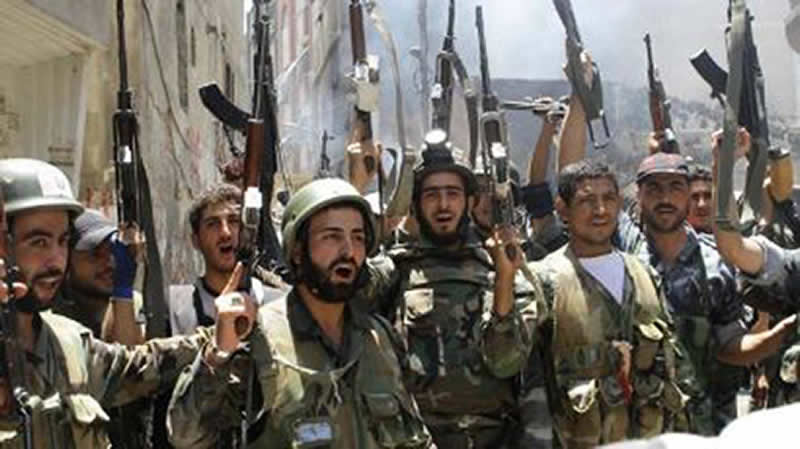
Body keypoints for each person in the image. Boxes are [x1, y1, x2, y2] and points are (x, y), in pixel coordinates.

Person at [167, 178, 435, 448]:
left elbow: (415, 438)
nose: (348, 251)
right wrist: (218, 355)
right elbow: (186, 435)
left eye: (358, 237)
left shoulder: (380, 339)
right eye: (331, 236)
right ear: (297, 250)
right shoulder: (260, 338)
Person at [0, 158, 209, 448]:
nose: (56, 260)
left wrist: (217, 337)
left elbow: (142, 367)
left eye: (62, 241)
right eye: (39, 242)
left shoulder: (69, 344)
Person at [356, 130, 537, 449]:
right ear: (415, 205)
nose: (443, 205)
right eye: (431, 195)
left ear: (470, 202)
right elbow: (344, 288)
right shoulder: (397, 270)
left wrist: (504, 281)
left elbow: (506, 362)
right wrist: (356, 188)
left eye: (453, 194)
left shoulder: (503, 270)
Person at [616, 152, 796, 434]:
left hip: (703, 426)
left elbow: (729, 345)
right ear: (638, 195)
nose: (665, 198)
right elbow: (573, 183)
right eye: (654, 188)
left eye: (675, 187)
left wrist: (778, 336)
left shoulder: (715, 265)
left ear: (687, 196)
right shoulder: (622, 252)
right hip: (635, 428)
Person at [528, 160, 686, 447]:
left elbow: (671, 367)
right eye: (587, 201)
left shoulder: (644, 274)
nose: (600, 210)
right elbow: (521, 374)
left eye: (609, 199)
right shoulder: (545, 280)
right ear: (562, 209)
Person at [54, 208, 149, 449]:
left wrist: (123, 292)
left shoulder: (129, 302)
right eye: (95, 254)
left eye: (111, 251)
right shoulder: (54, 316)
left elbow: (128, 371)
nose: (108, 263)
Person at [169, 183, 286, 336]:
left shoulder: (278, 305)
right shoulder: (174, 306)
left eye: (233, 221)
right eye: (212, 224)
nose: (225, 233)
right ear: (196, 240)